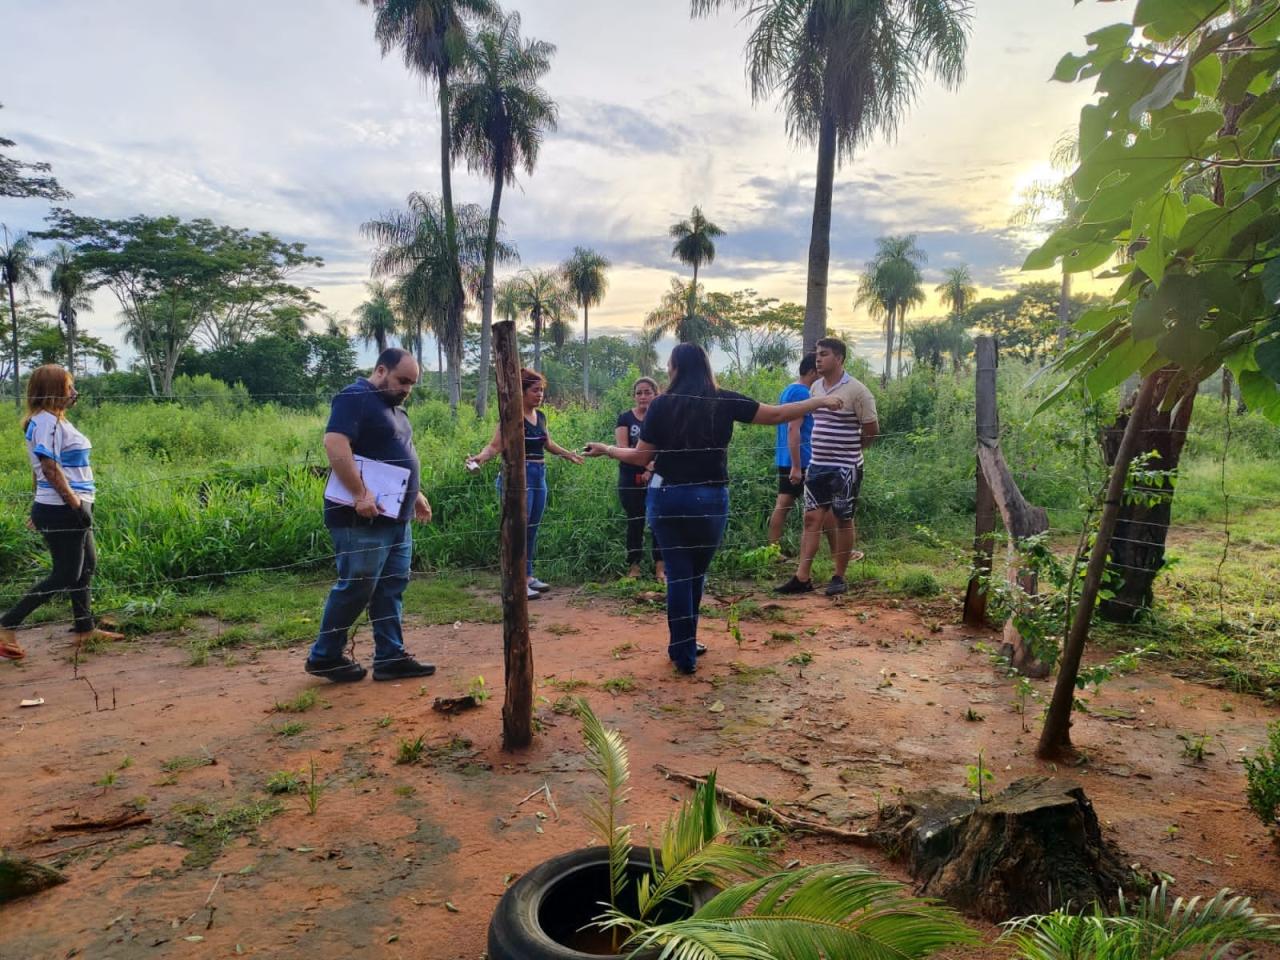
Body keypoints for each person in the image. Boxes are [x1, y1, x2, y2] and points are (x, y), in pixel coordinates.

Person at [585, 343, 841, 675]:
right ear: (705, 366)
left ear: (676, 367)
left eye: (669, 365)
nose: (666, 369)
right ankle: (686, 644)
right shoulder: (724, 399)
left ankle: (683, 651)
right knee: (696, 573)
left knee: (678, 574)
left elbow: (640, 457)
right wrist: (819, 401)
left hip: (667, 496)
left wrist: (606, 449)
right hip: (710, 498)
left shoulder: (662, 405)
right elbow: (778, 414)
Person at [306, 348, 436, 683]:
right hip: (361, 518)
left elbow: (395, 454)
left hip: (396, 517)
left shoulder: (395, 409)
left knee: (392, 586)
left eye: (412, 383)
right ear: (380, 370)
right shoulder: (355, 397)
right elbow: (336, 444)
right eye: (401, 380)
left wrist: (416, 494)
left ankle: (390, 656)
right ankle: (326, 656)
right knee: (358, 586)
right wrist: (360, 492)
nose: (407, 388)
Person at [1, 365, 123, 660]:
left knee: (87, 566)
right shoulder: (47, 423)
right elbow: (49, 467)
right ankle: (6, 625)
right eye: (69, 387)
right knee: (67, 572)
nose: (73, 392)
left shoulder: (51, 421)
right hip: (64, 506)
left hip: (60, 504)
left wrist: (40, 503)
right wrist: (73, 504)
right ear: (53, 390)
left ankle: (84, 629)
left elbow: (39, 471)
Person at [468, 368, 584, 600]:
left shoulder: (540, 416)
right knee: (517, 530)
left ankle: (528, 576)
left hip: (538, 475)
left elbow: (547, 443)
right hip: (517, 477)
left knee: (531, 529)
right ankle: (516, 581)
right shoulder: (511, 416)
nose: (539, 394)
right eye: (534, 390)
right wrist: (480, 458)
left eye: (542, 390)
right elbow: (494, 446)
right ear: (522, 392)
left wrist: (567, 454)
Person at [776, 337, 878, 597]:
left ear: (840, 359)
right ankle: (802, 577)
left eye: (824, 354)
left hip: (846, 467)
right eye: (817, 354)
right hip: (817, 464)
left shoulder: (858, 391)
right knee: (811, 519)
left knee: (844, 518)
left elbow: (871, 429)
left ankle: (839, 576)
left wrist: (852, 451)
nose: (818, 359)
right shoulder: (816, 389)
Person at [767, 353, 819, 546]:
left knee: (782, 505)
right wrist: (797, 466)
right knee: (823, 506)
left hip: (786, 457)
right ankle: (838, 551)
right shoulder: (802, 394)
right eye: (819, 372)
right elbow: (793, 428)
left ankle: (772, 549)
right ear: (812, 372)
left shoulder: (788, 390)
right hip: (801, 459)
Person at [615, 377, 664, 581]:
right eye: (639, 393)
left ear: (656, 394)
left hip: (658, 477)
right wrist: (645, 465)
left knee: (658, 520)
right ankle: (634, 566)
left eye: (647, 392)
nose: (643, 396)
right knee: (635, 520)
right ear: (634, 396)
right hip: (630, 476)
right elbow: (623, 447)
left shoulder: (664, 417)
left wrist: (653, 469)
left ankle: (660, 567)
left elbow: (666, 447)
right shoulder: (625, 418)